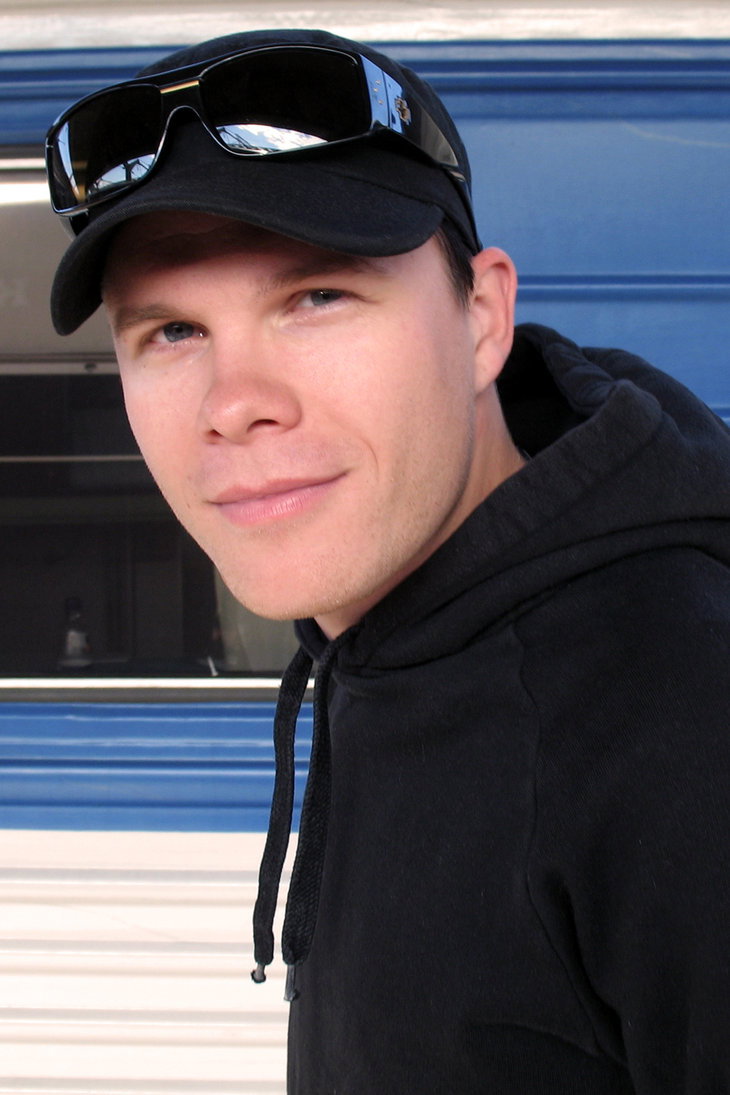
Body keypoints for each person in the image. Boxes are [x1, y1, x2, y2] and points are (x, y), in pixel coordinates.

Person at [45, 27, 730, 1094]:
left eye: (316, 298)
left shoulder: (684, 714)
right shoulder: (382, 635)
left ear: (482, 321)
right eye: (172, 332)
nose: (235, 405)